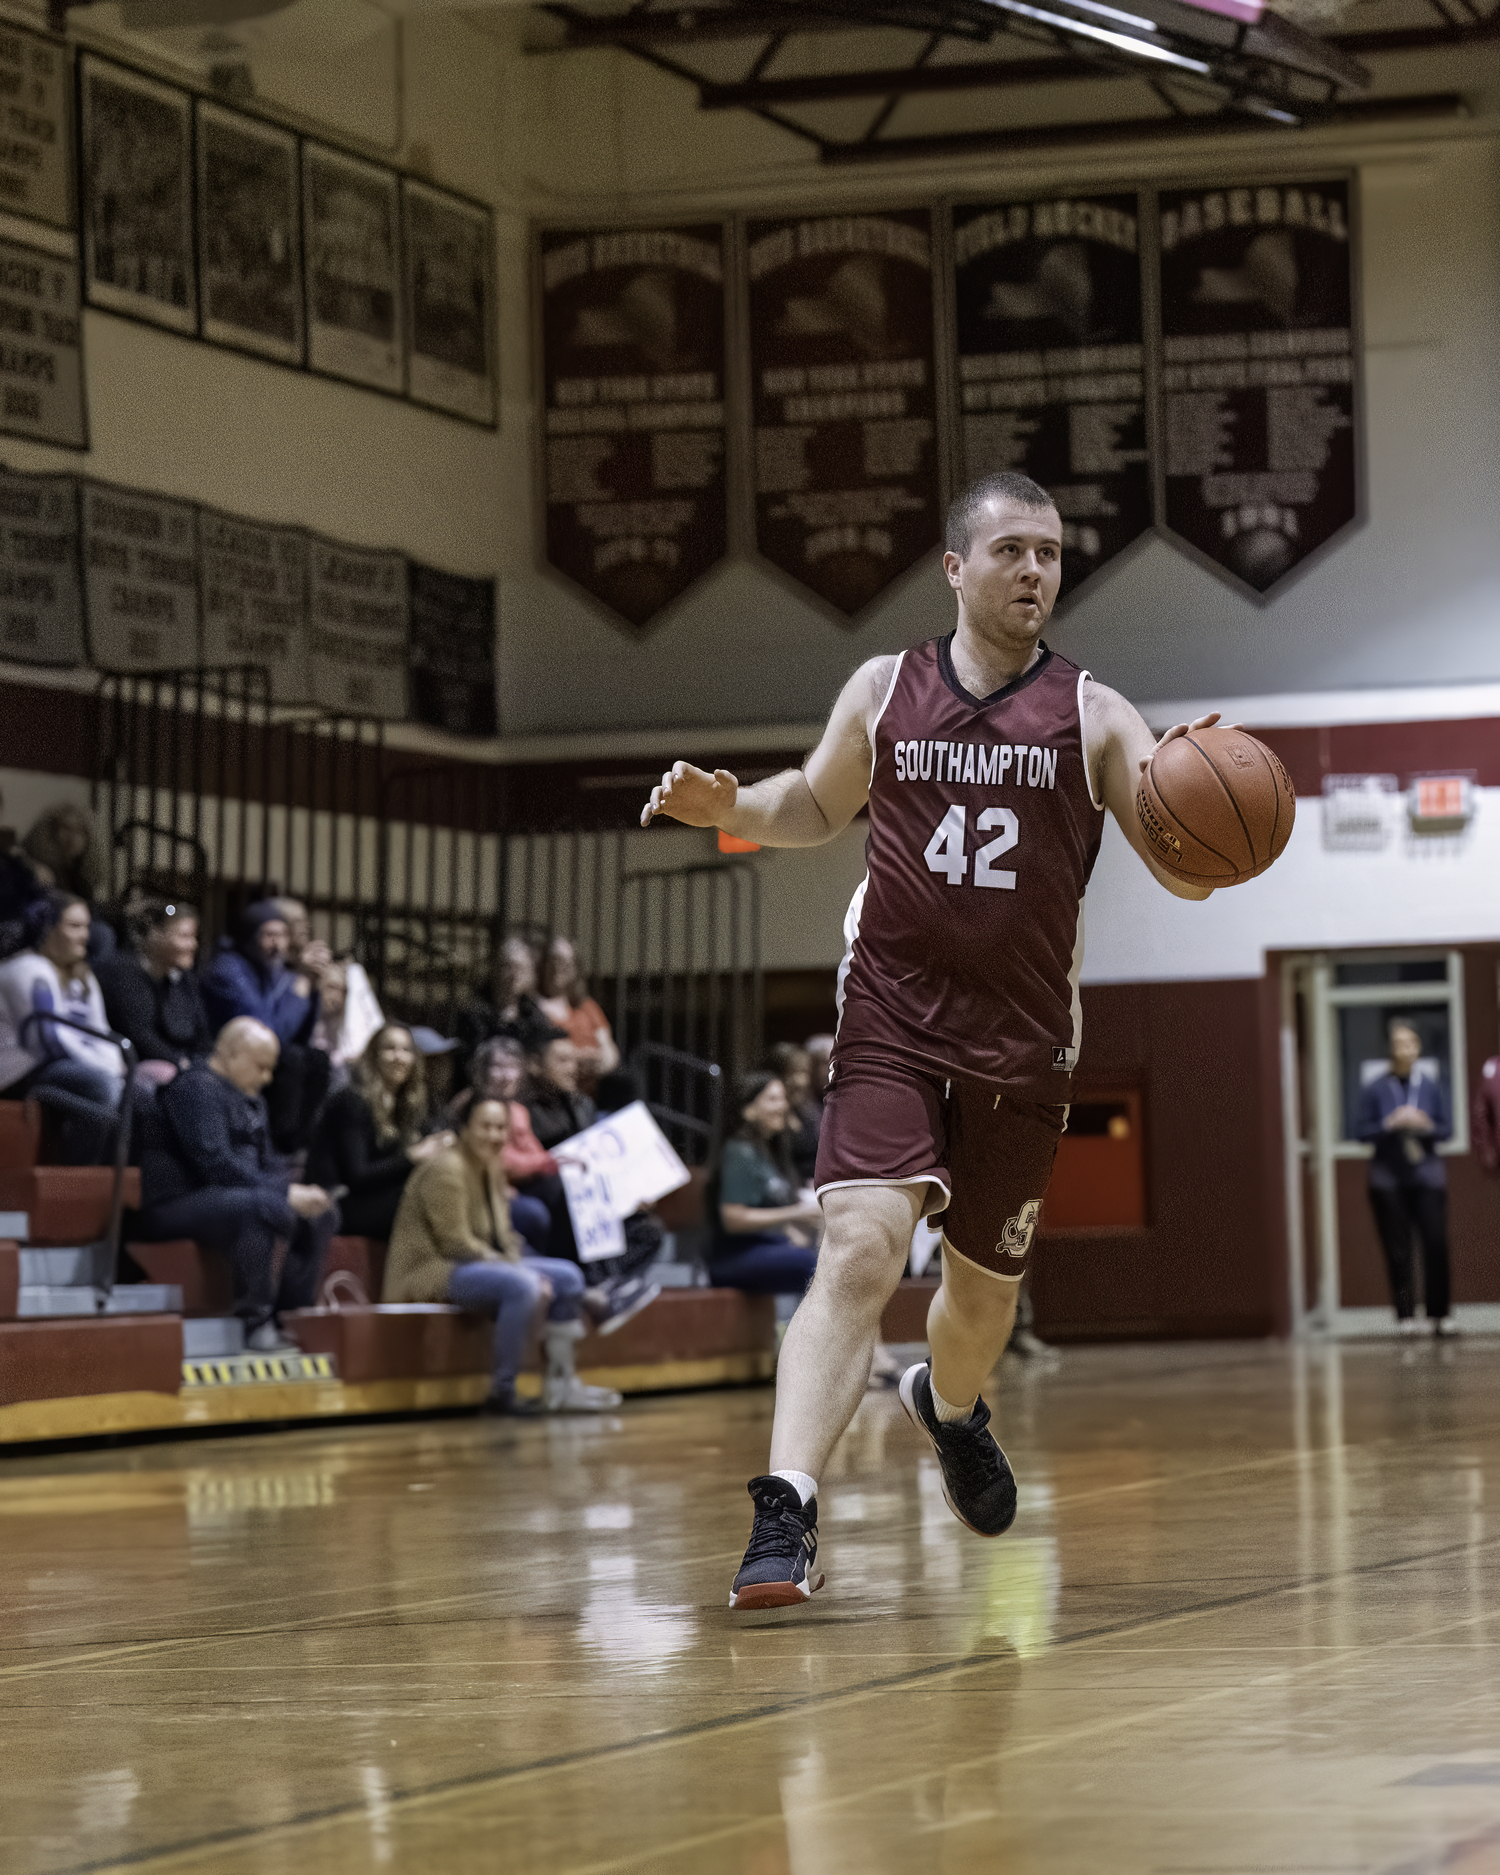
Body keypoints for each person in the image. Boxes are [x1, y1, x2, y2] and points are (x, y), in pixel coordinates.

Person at [642, 469, 1227, 1609]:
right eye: (1011, 550)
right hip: (893, 1015)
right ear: (957, 569)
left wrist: (1206, 839)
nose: (1035, 571)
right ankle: (787, 1512)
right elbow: (815, 804)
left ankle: (949, 1409)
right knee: (860, 1246)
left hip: (1022, 1044)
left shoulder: (1098, 715)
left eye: (1051, 554)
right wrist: (729, 814)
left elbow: (1179, 870)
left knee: (979, 1303)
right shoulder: (883, 686)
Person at [383, 1097, 621, 1415]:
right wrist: (524, 1273)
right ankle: (503, 1391)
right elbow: (456, 1244)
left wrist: (517, 1262)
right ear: (464, 1129)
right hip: (431, 1270)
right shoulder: (446, 1169)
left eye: (500, 1128)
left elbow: (505, 1235)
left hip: (474, 1262)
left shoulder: (491, 1166)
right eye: (485, 1126)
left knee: (568, 1275)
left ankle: (561, 1386)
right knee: (521, 1286)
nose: (494, 1135)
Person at [135, 1017, 338, 1351]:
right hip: (176, 1202)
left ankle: (291, 1315)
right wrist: (283, 1193)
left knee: (319, 1214)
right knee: (257, 1207)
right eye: (260, 1067)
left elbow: (268, 1164)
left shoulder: (251, 1099)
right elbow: (215, 1164)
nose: (267, 1078)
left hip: (231, 1197)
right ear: (231, 1054)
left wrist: (298, 1193)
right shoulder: (194, 1088)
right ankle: (253, 1322)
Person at [0, 891, 124, 1163]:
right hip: (23, 1071)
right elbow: (50, 1040)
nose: (85, 936)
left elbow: (100, 1029)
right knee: (101, 1088)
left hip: (66, 1065)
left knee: (137, 1093)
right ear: (48, 928)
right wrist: (103, 1070)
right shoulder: (26, 969)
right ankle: (72, 1174)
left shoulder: (81, 975)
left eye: (86, 927)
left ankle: (111, 1186)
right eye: (74, 926)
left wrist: (115, 1065)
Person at [306, 1024, 455, 1242]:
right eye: (390, 1049)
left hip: (373, 1198)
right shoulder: (352, 1101)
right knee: (427, 1204)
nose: (399, 1057)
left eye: (406, 1050)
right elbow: (358, 1176)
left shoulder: (405, 1105)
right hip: (337, 1202)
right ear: (373, 1056)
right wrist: (412, 1156)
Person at [201, 902, 328, 1153]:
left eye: (282, 936)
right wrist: (301, 984)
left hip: (268, 1050)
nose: (277, 945)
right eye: (269, 936)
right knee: (291, 1060)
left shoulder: (269, 967)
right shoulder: (228, 969)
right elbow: (268, 1035)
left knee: (317, 1059)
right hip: (227, 1055)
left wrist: (312, 987)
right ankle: (280, 1147)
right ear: (250, 936)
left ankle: (298, 1146)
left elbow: (301, 1035)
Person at [1356, 1020, 1455, 1337]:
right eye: (1399, 1043)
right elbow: (1360, 1131)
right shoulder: (1375, 1088)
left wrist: (1424, 1124)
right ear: (1390, 1048)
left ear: (1418, 1048)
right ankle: (1405, 1317)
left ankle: (1439, 1316)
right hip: (1389, 1180)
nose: (1405, 1049)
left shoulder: (1429, 1086)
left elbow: (1446, 1128)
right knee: (1398, 1250)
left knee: (1435, 1245)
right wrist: (1389, 1123)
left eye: (1411, 1043)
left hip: (1426, 1177)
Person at [710, 1071, 820, 1297]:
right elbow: (733, 1218)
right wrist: (795, 1214)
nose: (783, 1106)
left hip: (766, 1246)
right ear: (748, 1110)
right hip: (734, 1256)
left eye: (783, 1098)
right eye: (773, 1099)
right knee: (813, 1264)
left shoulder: (766, 1152)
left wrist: (790, 1228)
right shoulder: (739, 1152)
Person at [97, 899, 211, 1086]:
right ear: (154, 933)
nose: (193, 945)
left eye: (194, 937)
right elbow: (139, 1036)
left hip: (186, 1065)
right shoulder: (122, 973)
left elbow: (201, 1033)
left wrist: (204, 1063)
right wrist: (182, 1063)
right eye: (184, 936)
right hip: (141, 1065)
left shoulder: (183, 978)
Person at [538, 936, 619, 1087]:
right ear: (544, 964)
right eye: (555, 960)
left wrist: (599, 1065)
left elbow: (609, 1049)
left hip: (593, 1087)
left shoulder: (587, 1006)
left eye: (566, 962)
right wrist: (582, 1058)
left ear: (575, 968)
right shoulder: (535, 1007)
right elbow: (545, 1056)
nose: (559, 967)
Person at [767, 1042, 821, 1184]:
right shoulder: (770, 1118)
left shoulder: (809, 1110)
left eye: (805, 1072)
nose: (801, 1081)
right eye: (792, 1073)